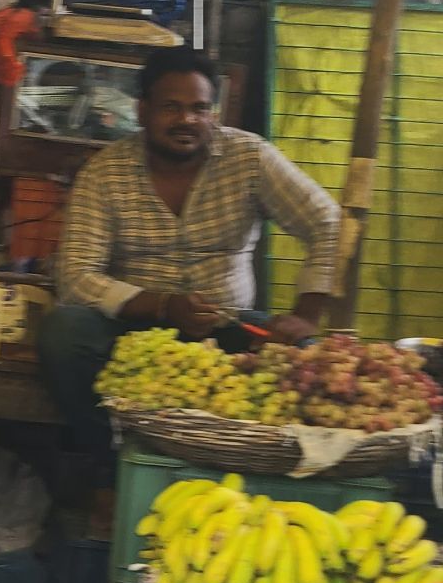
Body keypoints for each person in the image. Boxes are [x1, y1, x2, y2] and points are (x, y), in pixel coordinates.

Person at [38, 45, 341, 450]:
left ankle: (247, 462)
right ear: (142, 110)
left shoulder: (250, 158)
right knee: (63, 333)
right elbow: (75, 277)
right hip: (131, 330)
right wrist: (163, 305)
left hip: (228, 325)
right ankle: (105, 459)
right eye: (171, 107)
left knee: (306, 356)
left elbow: (329, 223)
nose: (187, 120)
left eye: (200, 109)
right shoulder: (105, 174)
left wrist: (306, 315)